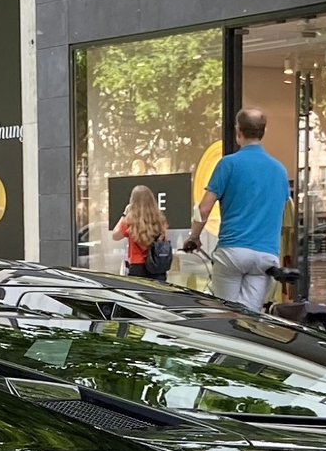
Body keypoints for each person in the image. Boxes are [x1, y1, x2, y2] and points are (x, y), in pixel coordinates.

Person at [184, 107, 290, 311]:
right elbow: (284, 211)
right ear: (263, 132)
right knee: (248, 318)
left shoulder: (228, 164)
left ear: (237, 131)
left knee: (226, 314)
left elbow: (204, 209)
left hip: (233, 251)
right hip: (265, 255)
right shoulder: (279, 170)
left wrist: (194, 237)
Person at [113, 184, 171, 279]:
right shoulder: (160, 220)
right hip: (157, 264)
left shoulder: (130, 221)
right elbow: (163, 240)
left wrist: (124, 214)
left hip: (137, 266)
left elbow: (115, 236)